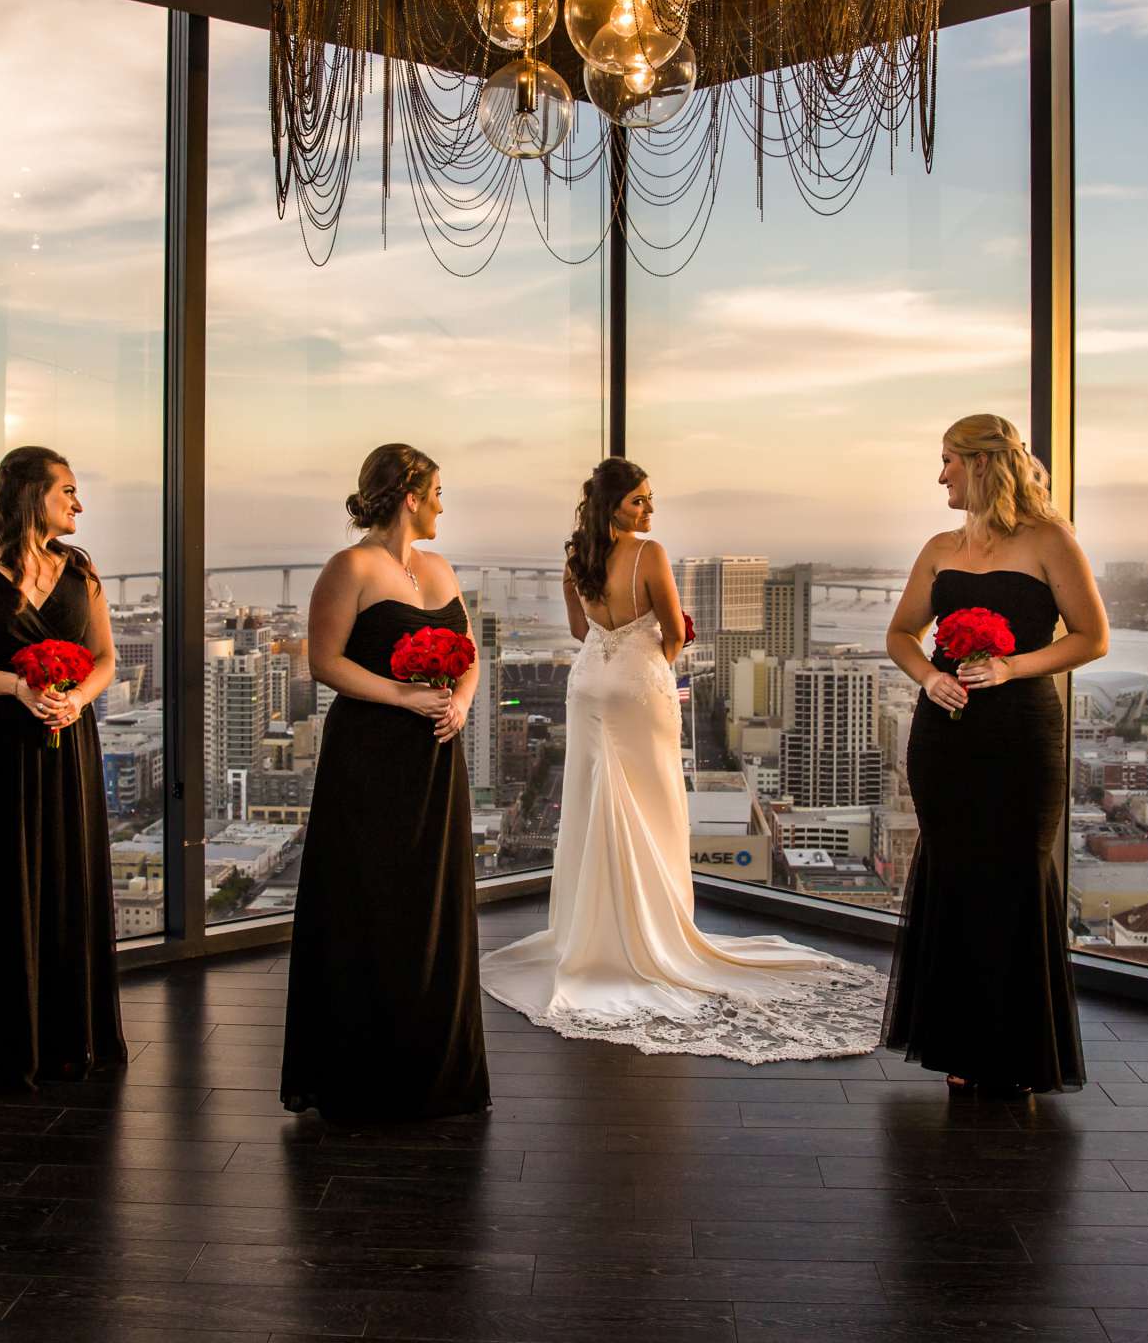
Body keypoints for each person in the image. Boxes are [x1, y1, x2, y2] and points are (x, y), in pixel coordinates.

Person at [482, 458, 884, 1061]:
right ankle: (652, 936)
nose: (649, 509)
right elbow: (673, 632)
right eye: (640, 500)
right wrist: (652, 656)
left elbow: (578, 629)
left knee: (594, 805)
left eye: (650, 500)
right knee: (654, 804)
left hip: (590, 684)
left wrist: (614, 644)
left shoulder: (576, 556)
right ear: (615, 503)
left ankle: (589, 937)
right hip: (639, 688)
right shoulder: (649, 554)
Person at [882, 414, 1107, 1096]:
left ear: (982, 464)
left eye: (948, 460)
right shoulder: (938, 547)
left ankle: (1015, 1049)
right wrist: (930, 676)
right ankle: (956, 1041)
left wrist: (1013, 668)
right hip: (944, 733)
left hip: (1021, 731)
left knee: (1014, 875)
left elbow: (1092, 638)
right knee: (952, 872)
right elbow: (900, 633)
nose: (940, 473)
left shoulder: (1048, 540)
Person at [280, 444, 489, 1120]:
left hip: (436, 758)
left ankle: (436, 1063)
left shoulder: (441, 566)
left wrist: (459, 701)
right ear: (409, 495)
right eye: (436, 491)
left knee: (435, 904)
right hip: (369, 759)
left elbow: (471, 656)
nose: (441, 503)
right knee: (371, 903)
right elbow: (324, 663)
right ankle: (365, 1070)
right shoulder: (351, 568)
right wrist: (402, 698)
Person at [0, 446, 125, 1089]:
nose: (79, 503)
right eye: (67, 490)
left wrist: (74, 701)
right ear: (30, 495)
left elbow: (105, 660)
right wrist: (17, 689)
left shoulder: (81, 571)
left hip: (67, 739)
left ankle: (71, 1038)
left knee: (67, 876)